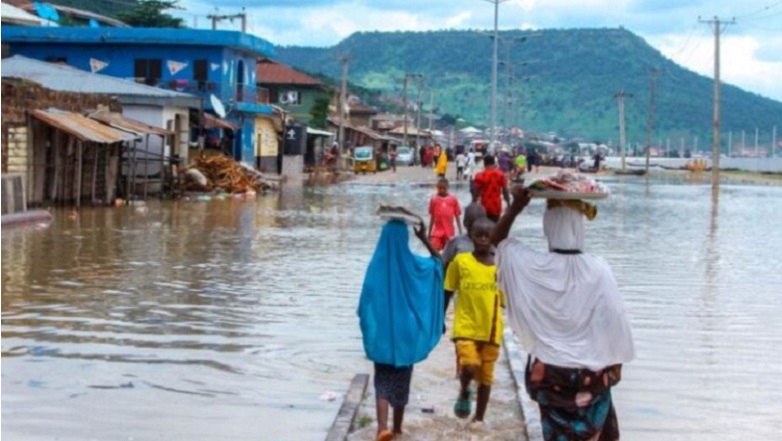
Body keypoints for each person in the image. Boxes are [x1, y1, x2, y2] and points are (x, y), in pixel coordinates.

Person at [492, 186, 635, 441]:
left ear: (548, 227)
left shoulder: (532, 265)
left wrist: (516, 206)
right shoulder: (598, 269)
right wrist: (616, 366)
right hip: (591, 378)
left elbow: (497, 242)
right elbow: (615, 318)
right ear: (579, 228)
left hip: (549, 376)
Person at [358, 219, 444, 441]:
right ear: (405, 239)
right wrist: (424, 238)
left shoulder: (376, 265)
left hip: (383, 336)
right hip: (407, 333)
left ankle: (381, 429)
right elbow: (439, 263)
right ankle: (397, 430)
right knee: (401, 383)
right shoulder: (414, 265)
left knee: (382, 383)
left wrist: (370, 327)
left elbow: (365, 302)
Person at [444, 217, 504, 427]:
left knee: (486, 377)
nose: (482, 239)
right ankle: (464, 389)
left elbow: (506, 299)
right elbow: (448, 290)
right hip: (466, 327)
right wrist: (440, 318)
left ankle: (479, 418)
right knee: (469, 366)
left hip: (491, 329)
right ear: (471, 236)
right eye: (478, 235)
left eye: (487, 235)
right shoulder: (461, 261)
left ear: (494, 237)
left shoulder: (499, 266)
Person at [472, 154, 510, 223]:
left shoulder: (480, 175)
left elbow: (476, 192)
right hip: (496, 205)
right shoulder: (500, 174)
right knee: (495, 227)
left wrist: (473, 203)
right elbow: (505, 191)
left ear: (484, 164)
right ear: (494, 163)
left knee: (483, 227)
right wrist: (508, 203)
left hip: (483, 206)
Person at [428, 179, 462, 251]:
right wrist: (429, 232)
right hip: (437, 231)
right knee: (434, 249)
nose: (442, 190)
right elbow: (432, 217)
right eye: (440, 188)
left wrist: (460, 231)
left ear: (447, 188)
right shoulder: (434, 199)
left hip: (449, 231)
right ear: (437, 188)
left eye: (444, 188)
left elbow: (457, 216)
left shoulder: (453, 199)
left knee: (448, 252)